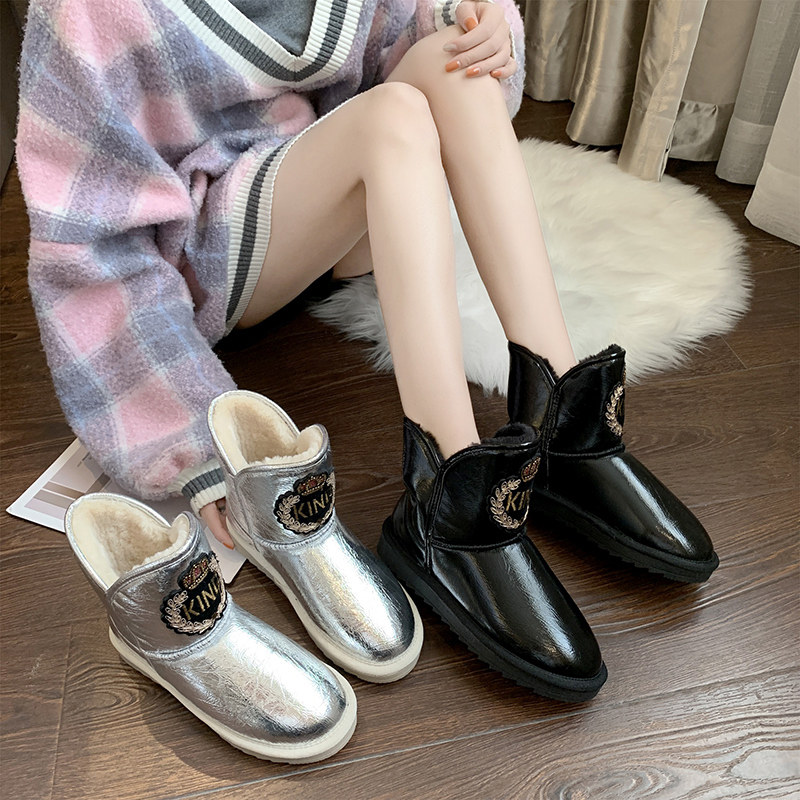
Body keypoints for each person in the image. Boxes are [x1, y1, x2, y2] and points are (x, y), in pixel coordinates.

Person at [17, 0, 717, 699]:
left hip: (326, 195)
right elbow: (91, 253)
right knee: (393, 119)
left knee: (454, 57)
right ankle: (446, 490)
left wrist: (478, 26)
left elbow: (403, 26)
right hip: (212, 256)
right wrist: (188, 444)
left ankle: (562, 409)